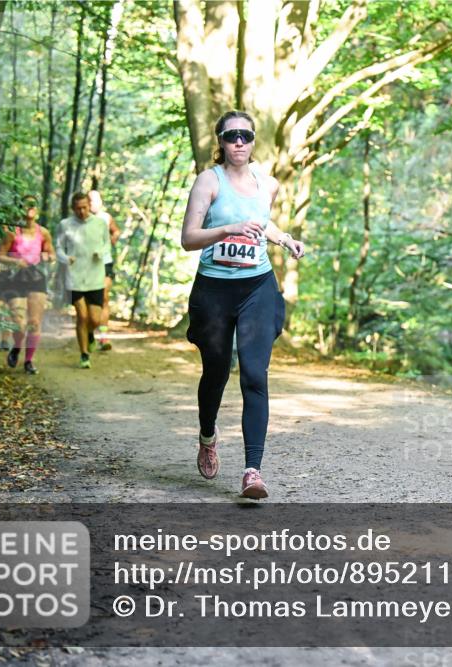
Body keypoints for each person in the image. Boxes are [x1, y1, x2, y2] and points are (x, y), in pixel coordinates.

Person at [180, 110, 305, 499]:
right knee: (216, 371)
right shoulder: (208, 181)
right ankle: (207, 434)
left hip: (257, 287)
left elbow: (260, 223)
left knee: (254, 372)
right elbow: (188, 238)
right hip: (215, 290)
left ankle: (253, 471)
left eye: (246, 136)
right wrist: (227, 229)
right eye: (231, 135)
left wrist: (284, 238)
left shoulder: (266, 184)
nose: (239, 142)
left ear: (253, 142)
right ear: (220, 140)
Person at [0, 197, 55, 374]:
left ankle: (29, 361)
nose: (29, 208)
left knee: (35, 322)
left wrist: (48, 257)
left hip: (37, 278)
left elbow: (51, 253)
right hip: (17, 278)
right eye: (25, 205)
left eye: (32, 205)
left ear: (37, 210)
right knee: (19, 322)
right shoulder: (12, 233)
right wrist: (16, 262)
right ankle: (17, 346)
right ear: (21, 209)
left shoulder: (43, 232)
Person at [56, 192, 111, 369]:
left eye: (84, 207)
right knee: (82, 315)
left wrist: (101, 253)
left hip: (95, 276)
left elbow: (107, 244)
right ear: (73, 208)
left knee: (94, 320)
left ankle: (90, 333)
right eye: (78, 208)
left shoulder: (100, 223)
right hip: (74, 277)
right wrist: (65, 258)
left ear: (90, 206)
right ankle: (84, 354)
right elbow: (58, 247)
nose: (81, 211)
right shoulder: (65, 225)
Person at [88, 189, 120, 351]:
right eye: (90, 200)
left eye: (96, 200)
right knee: (89, 302)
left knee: (104, 298)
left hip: (105, 262)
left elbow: (116, 230)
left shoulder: (106, 217)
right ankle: (89, 333)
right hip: (85, 265)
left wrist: (113, 237)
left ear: (101, 202)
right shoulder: (81, 219)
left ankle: (103, 337)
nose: (93, 203)